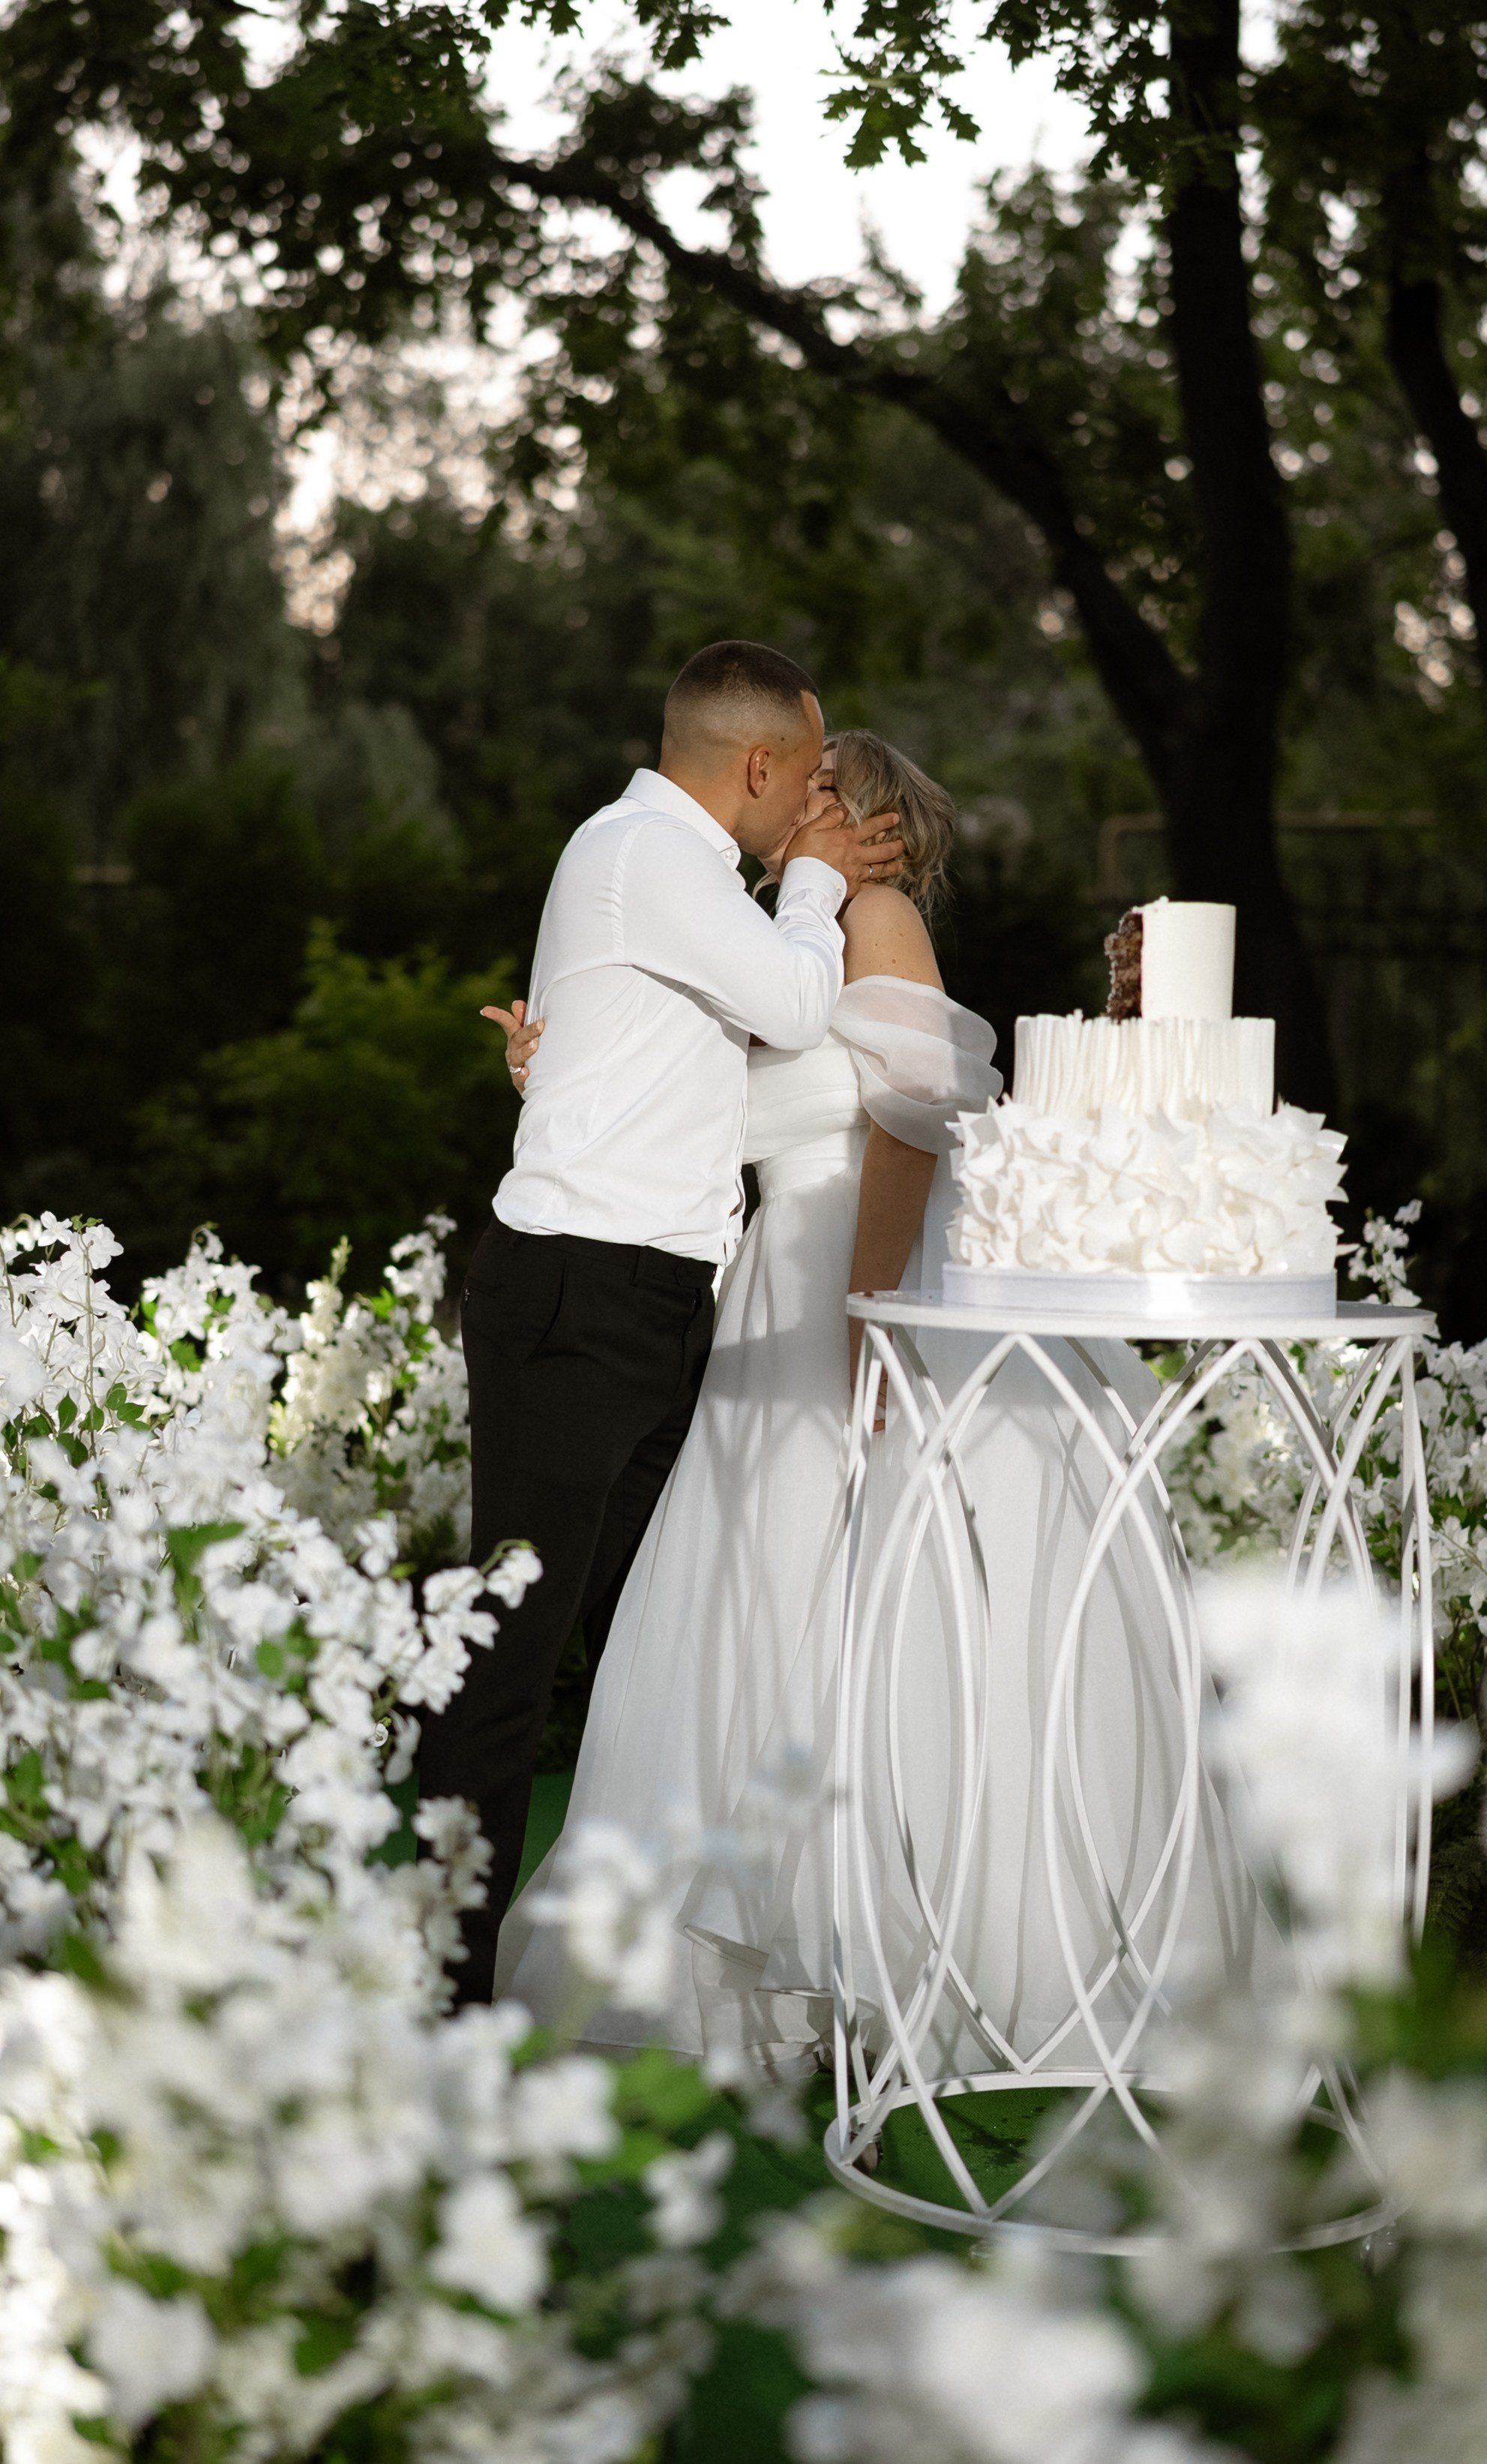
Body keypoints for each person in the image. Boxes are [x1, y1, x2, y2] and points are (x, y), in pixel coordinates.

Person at [494, 732, 1273, 2083]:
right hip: (780, 1289)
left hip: (853, 1277)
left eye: (809, 788)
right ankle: (765, 1965)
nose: (780, 802)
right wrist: (550, 1076)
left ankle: (911, 1951)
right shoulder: (783, 942)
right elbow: (710, 1109)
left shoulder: (879, 914)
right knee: (762, 1611)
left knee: (863, 1601)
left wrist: (870, 1322)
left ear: (851, 814)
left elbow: (914, 1124)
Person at [417, 644, 902, 2005]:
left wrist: (547, 1064)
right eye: (807, 780)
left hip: (653, 1297)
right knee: (508, 1650)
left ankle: (659, 1976)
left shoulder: (675, 877)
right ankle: (433, 1989)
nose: (815, 806)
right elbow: (799, 1000)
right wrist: (816, 877)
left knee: (658, 1646)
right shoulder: (649, 856)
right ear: (760, 768)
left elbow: (683, 1069)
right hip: (577, 1294)